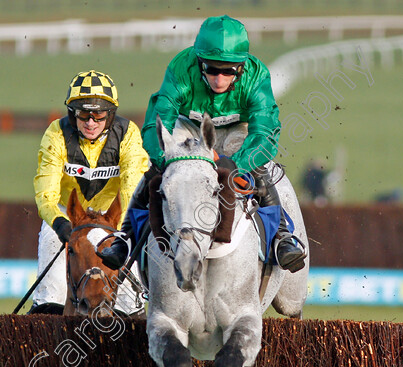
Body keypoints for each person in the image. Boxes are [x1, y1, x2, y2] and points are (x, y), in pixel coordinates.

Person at [98, 15, 307, 273]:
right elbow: (157, 122)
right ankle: (126, 238)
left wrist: (237, 164)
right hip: (190, 127)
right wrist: (165, 160)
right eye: (211, 69)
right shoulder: (181, 68)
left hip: (236, 131)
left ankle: (282, 237)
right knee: (155, 170)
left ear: (241, 68)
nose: (219, 80)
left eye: (228, 71)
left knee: (258, 169)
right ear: (199, 63)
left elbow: (264, 135)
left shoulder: (257, 76)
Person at [29, 70, 149, 315]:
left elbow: (132, 192)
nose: (91, 122)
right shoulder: (56, 133)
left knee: (131, 260)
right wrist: (62, 225)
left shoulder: (128, 134)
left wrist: (120, 230)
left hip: (113, 217)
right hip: (69, 216)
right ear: (73, 114)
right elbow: (46, 195)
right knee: (51, 239)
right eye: (83, 114)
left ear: (110, 114)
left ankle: (131, 312)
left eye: (98, 114)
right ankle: (47, 310)